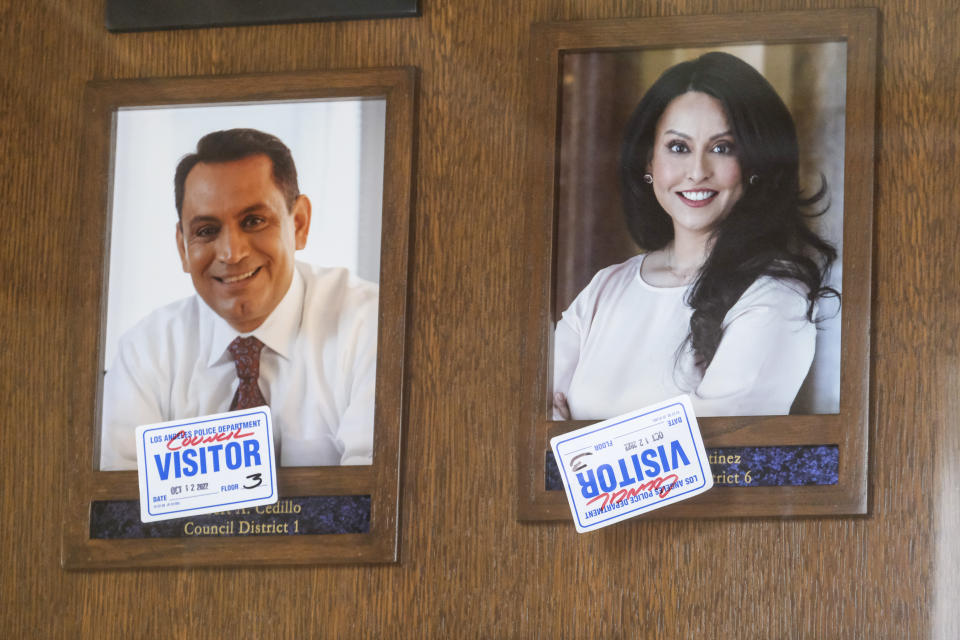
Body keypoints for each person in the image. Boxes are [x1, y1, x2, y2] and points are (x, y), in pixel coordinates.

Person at [553, 52, 838, 420]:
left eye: (722, 148)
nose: (697, 171)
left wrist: (572, 444)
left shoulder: (776, 297)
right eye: (678, 147)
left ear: (755, 164)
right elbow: (530, 428)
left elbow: (709, 453)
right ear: (648, 162)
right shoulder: (605, 288)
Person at [100, 128, 378, 469]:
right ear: (183, 247)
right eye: (206, 231)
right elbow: (121, 509)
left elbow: (375, 500)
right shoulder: (145, 352)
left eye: (254, 221)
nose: (231, 253)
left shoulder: (370, 325)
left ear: (300, 224)